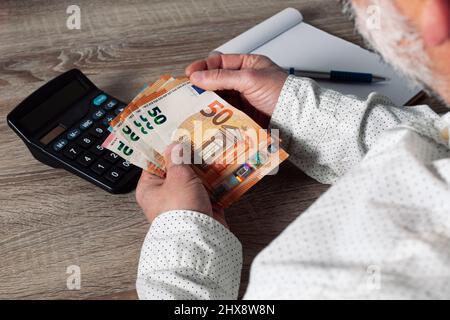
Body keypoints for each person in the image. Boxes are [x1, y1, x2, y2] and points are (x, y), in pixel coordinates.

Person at [134, 0, 450, 299]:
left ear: (437, 13)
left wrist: (181, 238)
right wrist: (292, 106)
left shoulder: (343, 283)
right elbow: (436, 147)